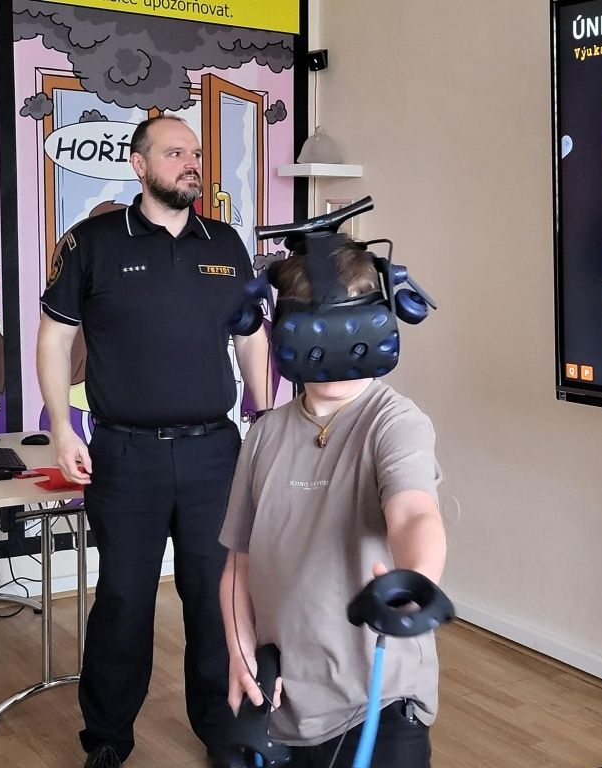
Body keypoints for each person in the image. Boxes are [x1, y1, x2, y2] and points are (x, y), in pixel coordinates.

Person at [36, 115, 270, 768]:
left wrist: (266, 415)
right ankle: (107, 739)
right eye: (174, 153)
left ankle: (224, 732)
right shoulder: (93, 242)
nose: (191, 162)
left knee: (217, 603)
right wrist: (61, 426)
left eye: (195, 153)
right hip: (125, 455)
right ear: (139, 165)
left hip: (213, 455)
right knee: (124, 602)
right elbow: (54, 338)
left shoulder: (225, 242)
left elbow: (250, 335)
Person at [218, 239, 447, 768]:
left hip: (379, 701)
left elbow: (415, 512)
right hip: (287, 703)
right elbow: (239, 562)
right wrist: (240, 649)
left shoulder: (395, 423)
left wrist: (415, 583)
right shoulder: (264, 435)